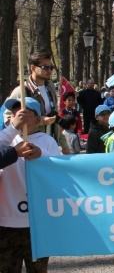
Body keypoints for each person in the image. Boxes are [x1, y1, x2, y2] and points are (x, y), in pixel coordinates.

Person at [0, 97, 60, 272]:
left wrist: (41, 154)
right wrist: (12, 129)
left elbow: (60, 170)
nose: (20, 118)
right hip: (6, 222)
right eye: (15, 114)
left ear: (38, 119)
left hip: (37, 223)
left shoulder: (47, 141)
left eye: (26, 114)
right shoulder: (6, 139)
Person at [5, 50, 70, 154]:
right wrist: (39, 121)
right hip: (31, 147)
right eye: (45, 67)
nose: (49, 70)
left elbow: (55, 116)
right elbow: (8, 119)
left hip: (51, 143)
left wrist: (63, 144)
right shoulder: (21, 91)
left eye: (51, 67)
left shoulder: (51, 87)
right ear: (33, 68)